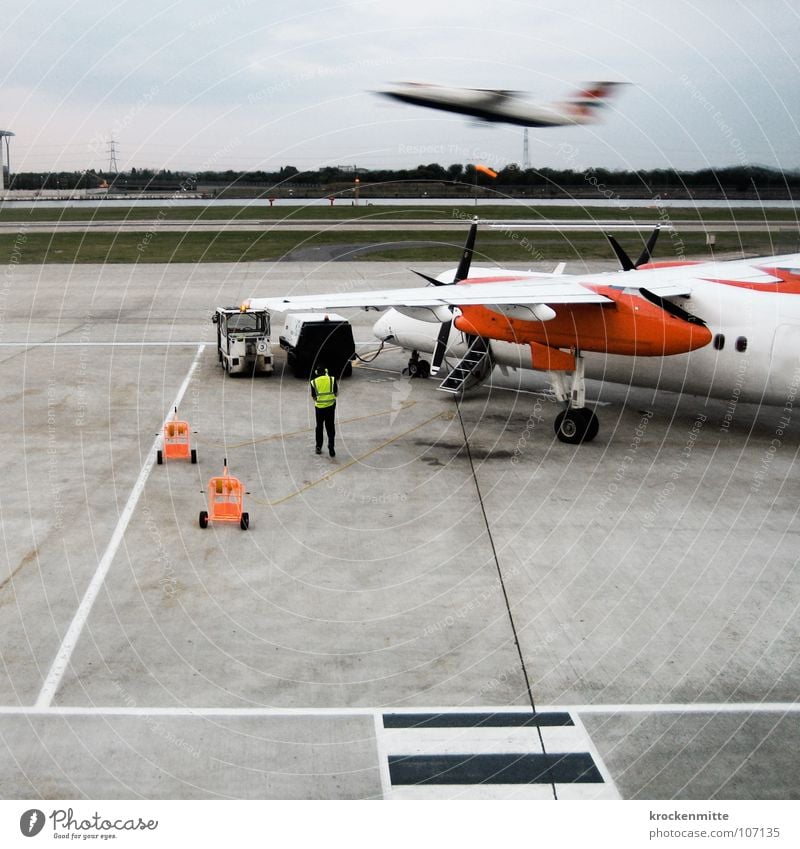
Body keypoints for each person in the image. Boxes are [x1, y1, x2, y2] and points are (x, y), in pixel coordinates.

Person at [310, 365, 337, 457]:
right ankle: (331, 445)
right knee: (330, 427)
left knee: (319, 427)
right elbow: (336, 393)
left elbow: (313, 396)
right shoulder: (332, 379)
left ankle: (318, 446)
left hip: (319, 409)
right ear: (326, 371)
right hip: (330, 407)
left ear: (317, 373)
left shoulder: (313, 382)